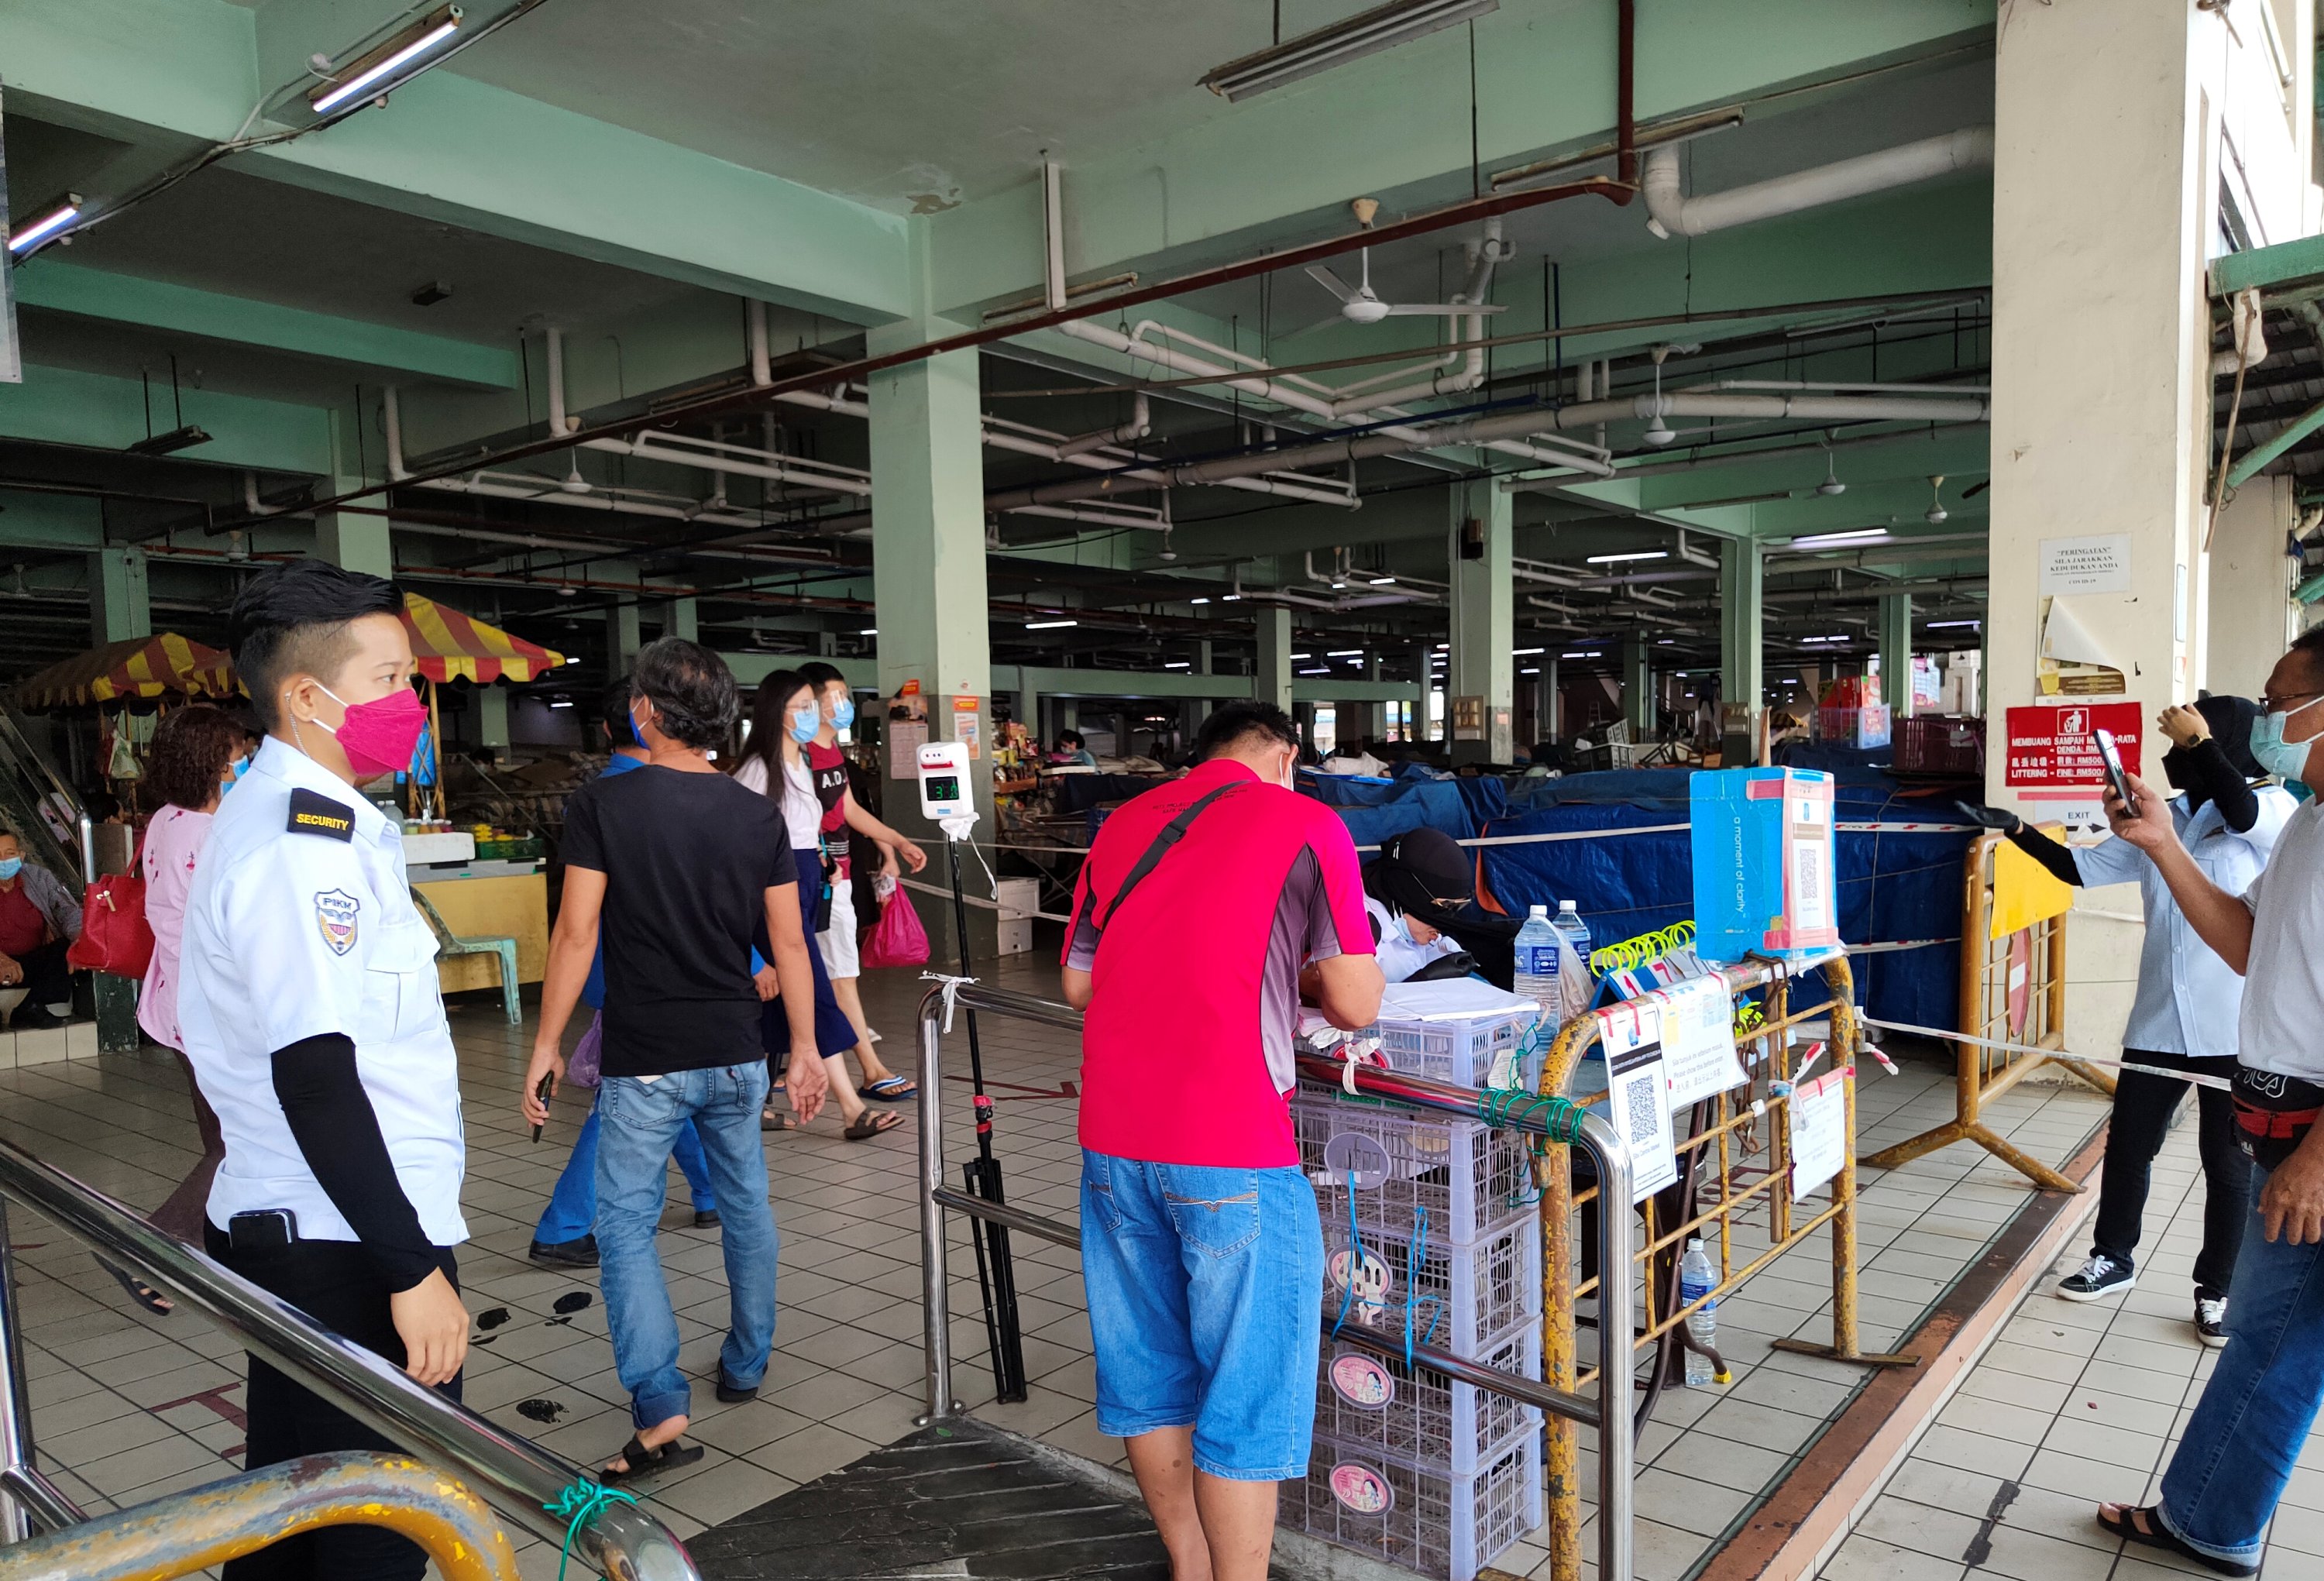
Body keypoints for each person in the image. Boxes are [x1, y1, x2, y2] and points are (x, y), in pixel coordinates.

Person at [177, 559, 469, 1581]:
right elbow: (315, 1074)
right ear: (308, 697)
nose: (411, 702)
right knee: (373, 1545)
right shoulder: (300, 848)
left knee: (294, 1526)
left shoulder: (318, 823)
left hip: (328, 1227)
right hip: (346, 1245)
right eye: (388, 678)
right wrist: (411, 1269)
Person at [1061, 700, 1384, 1581]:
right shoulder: (1308, 821)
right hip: (1233, 1139)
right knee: (1247, 1392)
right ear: (1283, 756)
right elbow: (1358, 1003)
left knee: (1152, 1377)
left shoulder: (1123, 823)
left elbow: (1080, 981)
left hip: (1113, 1141)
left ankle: (1189, 1566)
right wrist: (1301, 974)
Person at [524, 638, 827, 1482]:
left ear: (645, 713)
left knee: (623, 1226)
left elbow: (578, 932)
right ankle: (746, 1359)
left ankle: (658, 1400)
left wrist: (546, 1044)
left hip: (645, 1056)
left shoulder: (604, 805)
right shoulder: (753, 815)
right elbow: (790, 946)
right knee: (746, 1205)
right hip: (736, 1052)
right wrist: (802, 1048)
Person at [2095, 628, 2324, 1577]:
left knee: (2272, 1342)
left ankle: (2209, 1520)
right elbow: (2246, 939)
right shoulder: (2313, 825)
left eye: (2277, 705)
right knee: (2286, 1343)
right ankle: (2211, 1517)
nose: (2264, 723)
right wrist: (2158, 843)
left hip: (2313, 1137)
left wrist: (2321, 1157)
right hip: (2282, 1120)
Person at [1994, 696, 2291, 1342]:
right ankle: (2112, 1257)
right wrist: (2016, 828)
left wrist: (2202, 743)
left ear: (2220, 746)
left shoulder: (2272, 812)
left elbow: (2239, 806)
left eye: (2189, 748)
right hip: (2158, 1022)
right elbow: (2081, 867)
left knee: (2227, 1163)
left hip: (2231, 1030)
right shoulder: (2170, 818)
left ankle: (2218, 1290)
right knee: (2128, 1147)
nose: (2177, 760)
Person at [529, 675, 721, 1267]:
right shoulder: (653, 799)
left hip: (613, 976)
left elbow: (576, 924)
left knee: (669, 1084)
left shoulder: (596, 798)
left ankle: (712, 1191)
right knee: (624, 1099)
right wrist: (755, 961)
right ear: (653, 720)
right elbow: (694, 901)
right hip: (653, 979)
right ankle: (562, 1227)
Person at [731, 670, 899, 1140]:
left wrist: (827, 862)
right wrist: (754, 952)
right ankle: (850, 1108)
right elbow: (742, 857)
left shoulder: (803, 763)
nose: (814, 715)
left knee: (782, 1000)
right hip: (773, 894)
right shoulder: (758, 774)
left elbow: (815, 828)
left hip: (806, 882)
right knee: (816, 994)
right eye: (802, 707)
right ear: (775, 714)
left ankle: (757, 1101)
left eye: (813, 705)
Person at [127, 705, 255, 1315]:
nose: (243, 766)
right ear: (208, 763)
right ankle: (156, 1251)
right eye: (235, 758)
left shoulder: (164, 821)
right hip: (208, 1010)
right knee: (240, 1142)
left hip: (173, 1002)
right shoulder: (207, 836)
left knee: (224, 1137)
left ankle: (213, 1252)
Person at [796, 662, 927, 1100]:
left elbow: (849, 809)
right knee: (839, 978)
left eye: (845, 696)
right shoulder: (798, 755)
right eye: (834, 698)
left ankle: (791, 1065)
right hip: (817, 881)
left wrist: (896, 842)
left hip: (842, 877)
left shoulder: (831, 753)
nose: (843, 705)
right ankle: (871, 1069)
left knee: (829, 976)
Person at [1360, 827, 1477, 983]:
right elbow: (1349, 1000)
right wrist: (1418, 981)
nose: (1445, 922)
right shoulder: (1361, 928)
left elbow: (1437, 949)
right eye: (1443, 906)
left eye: (1457, 907)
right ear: (1407, 893)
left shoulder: (1411, 921)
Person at [0, 829, 84, 1029]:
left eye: (9, 853)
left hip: (31, 964)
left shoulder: (38, 877)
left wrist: (79, 939)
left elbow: (68, 910)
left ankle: (30, 1008)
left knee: (66, 949)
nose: (3, 861)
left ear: (21, 855)